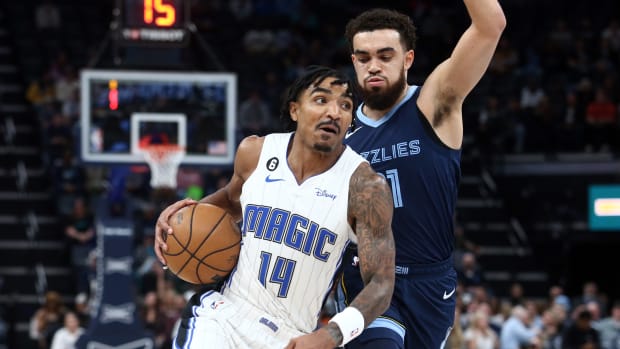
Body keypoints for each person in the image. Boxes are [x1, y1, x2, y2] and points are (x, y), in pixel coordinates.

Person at [153, 66, 396, 348]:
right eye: (321, 100)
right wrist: (175, 220)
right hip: (224, 316)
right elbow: (231, 201)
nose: (334, 112)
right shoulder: (255, 153)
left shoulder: (365, 187)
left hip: (292, 336)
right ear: (295, 110)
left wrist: (333, 333)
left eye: (345, 105)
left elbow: (381, 283)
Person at [337, 4, 506, 349]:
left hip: (431, 283)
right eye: (364, 57)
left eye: (386, 56)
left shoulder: (434, 103)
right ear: (353, 61)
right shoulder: (341, 134)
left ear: (408, 59)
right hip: (365, 279)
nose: (374, 66)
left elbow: (491, 25)